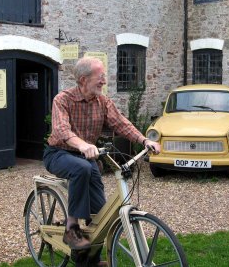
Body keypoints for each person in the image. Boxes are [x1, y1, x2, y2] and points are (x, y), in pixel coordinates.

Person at [43, 57, 161, 264]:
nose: (104, 81)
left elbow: (121, 123)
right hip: (59, 153)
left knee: (101, 216)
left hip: (88, 158)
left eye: (104, 77)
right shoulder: (62, 100)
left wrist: (144, 140)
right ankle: (71, 228)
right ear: (83, 79)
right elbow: (62, 130)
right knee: (82, 168)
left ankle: (90, 261)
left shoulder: (102, 102)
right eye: (100, 77)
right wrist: (82, 145)